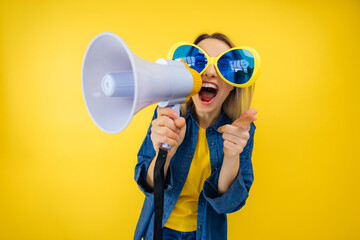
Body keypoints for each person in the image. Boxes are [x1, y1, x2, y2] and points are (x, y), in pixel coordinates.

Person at [134, 33, 257, 240]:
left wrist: (232, 155)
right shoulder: (167, 115)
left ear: (234, 83)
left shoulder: (241, 131)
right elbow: (148, 187)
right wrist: (165, 152)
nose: (210, 72)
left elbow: (229, 204)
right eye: (200, 63)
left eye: (223, 66)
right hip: (158, 229)